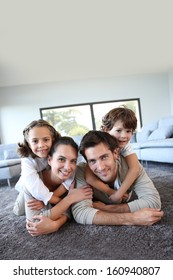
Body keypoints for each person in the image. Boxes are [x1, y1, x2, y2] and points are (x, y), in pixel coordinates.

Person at [26, 131, 163, 236]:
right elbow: (80, 213)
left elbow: (153, 202)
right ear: (86, 162)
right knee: (21, 205)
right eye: (92, 161)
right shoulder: (81, 171)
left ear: (115, 153)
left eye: (104, 157)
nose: (101, 167)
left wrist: (107, 208)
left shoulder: (132, 166)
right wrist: (132, 218)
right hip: (40, 191)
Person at [85, 107, 139, 203]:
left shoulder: (126, 147)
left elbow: (134, 169)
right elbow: (89, 177)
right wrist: (111, 192)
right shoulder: (97, 145)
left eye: (128, 131)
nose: (124, 136)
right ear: (106, 130)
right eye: (119, 131)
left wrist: (119, 193)